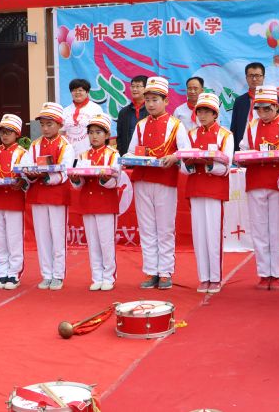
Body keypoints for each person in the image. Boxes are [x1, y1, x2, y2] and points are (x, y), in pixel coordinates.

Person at [128, 76, 191, 290]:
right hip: (142, 179)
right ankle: (151, 271)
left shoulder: (176, 125)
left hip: (165, 180)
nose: (151, 104)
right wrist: (132, 158)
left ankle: (165, 271)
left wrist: (174, 157)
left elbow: (185, 152)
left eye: (155, 100)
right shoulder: (140, 125)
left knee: (165, 228)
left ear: (166, 101)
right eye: (148, 100)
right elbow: (130, 152)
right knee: (146, 228)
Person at [239, 85, 279, 291]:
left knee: (277, 229)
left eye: (267, 108)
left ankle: (277, 274)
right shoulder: (251, 126)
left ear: (276, 106)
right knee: (259, 229)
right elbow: (243, 150)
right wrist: (244, 158)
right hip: (256, 181)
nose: (263, 112)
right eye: (259, 108)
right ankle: (264, 273)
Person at [180, 92, 233, 294]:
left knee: (213, 233)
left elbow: (227, 164)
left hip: (214, 189)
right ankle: (204, 277)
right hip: (195, 187)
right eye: (199, 112)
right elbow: (183, 165)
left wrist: (210, 164)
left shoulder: (226, 135)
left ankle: (215, 278)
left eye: (206, 112)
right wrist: (190, 164)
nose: (202, 116)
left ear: (215, 114)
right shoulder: (190, 134)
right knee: (199, 234)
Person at [22, 102, 76, 291]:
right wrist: (29, 174)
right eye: (42, 124)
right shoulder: (35, 145)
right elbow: (25, 166)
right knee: (42, 236)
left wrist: (47, 177)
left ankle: (58, 275)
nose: (45, 128)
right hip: (37, 195)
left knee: (58, 235)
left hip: (57, 195)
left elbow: (65, 171)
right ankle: (46, 274)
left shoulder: (65, 145)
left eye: (49, 124)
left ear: (59, 124)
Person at [70, 113, 121, 291]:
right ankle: (96, 276)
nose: (94, 136)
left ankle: (109, 277)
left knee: (106, 242)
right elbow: (78, 184)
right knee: (92, 242)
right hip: (88, 202)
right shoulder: (82, 155)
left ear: (107, 135)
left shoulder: (113, 154)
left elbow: (116, 181)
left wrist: (105, 178)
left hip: (106, 203)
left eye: (98, 132)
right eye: (91, 132)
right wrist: (75, 179)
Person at [0, 114, 27, 290]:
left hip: (14, 199)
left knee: (14, 238)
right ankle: (1, 273)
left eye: (9, 132)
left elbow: (26, 176)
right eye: (2, 132)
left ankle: (14, 273)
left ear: (17, 134)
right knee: (0, 239)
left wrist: (21, 181)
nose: (4, 135)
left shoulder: (23, 153)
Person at [231, 62, 279, 151]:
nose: (254, 79)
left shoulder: (274, 98)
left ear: (263, 77)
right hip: (243, 148)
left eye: (258, 76)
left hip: (268, 146)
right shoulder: (239, 101)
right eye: (251, 76)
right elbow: (234, 128)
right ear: (246, 78)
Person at [62, 78, 103, 157]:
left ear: (87, 92)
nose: (77, 92)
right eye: (74, 90)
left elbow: (101, 131)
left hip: (89, 152)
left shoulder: (96, 109)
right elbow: (62, 132)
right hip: (69, 154)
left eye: (80, 90)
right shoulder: (65, 111)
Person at [116, 75, 149, 156]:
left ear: (146, 88)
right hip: (127, 156)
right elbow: (120, 137)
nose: (134, 89)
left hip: (148, 156)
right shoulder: (124, 112)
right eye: (132, 86)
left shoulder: (151, 111)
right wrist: (122, 154)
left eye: (138, 86)